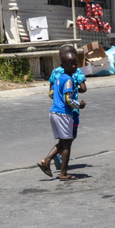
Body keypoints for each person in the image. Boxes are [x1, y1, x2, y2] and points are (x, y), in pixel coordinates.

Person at [38, 44, 85, 181]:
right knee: (67, 144)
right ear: (63, 65)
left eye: (75, 63)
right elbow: (68, 99)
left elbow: (52, 93)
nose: (74, 66)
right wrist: (79, 105)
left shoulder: (58, 77)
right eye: (70, 64)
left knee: (64, 141)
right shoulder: (69, 80)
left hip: (54, 112)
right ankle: (63, 173)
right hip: (64, 114)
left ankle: (47, 161)